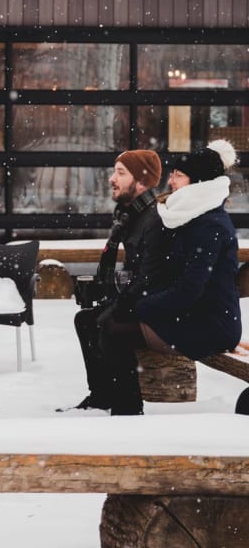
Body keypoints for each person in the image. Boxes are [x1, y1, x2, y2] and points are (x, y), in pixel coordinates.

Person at [98, 139, 242, 416]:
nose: (171, 181)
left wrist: (142, 306)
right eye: (172, 174)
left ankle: (126, 410)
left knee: (115, 329)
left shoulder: (209, 225)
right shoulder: (189, 215)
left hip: (211, 325)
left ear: (197, 183)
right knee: (110, 320)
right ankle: (113, 401)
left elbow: (190, 289)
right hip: (193, 314)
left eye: (178, 175)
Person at [68, 149, 167, 412]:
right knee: (86, 321)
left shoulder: (154, 219)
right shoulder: (130, 215)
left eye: (121, 173)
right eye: (114, 171)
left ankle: (127, 406)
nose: (112, 178)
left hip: (158, 305)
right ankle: (102, 395)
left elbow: (150, 277)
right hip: (144, 297)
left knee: (109, 325)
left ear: (143, 180)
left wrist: (119, 305)